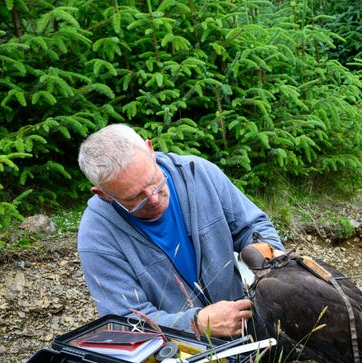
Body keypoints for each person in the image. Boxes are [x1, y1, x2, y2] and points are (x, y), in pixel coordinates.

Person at [77, 123, 284, 337]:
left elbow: (253, 226)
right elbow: (124, 322)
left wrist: (271, 257)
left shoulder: (199, 174)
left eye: (154, 182)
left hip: (253, 323)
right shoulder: (97, 236)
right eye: (135, 198)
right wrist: (195, 324)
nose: (154, 199)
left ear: (150, 149)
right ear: (104, 194)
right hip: (183, 356)